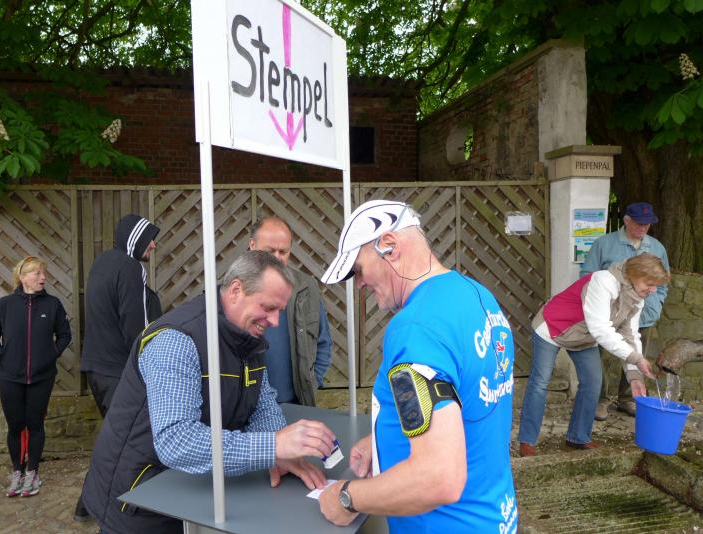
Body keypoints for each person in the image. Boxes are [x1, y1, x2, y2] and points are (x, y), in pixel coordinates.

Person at [80, 251, 336, 533]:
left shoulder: (247, 337)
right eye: (268, 307)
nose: (275, 321)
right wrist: (273, 446)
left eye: (280, 311)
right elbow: (176, 441)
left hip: (191, 496)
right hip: (137, 502)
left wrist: (280, 454)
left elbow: (262, 403)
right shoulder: (177, 339)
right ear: (236, 290)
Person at [317, 200, 518, 533]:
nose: (359, 284)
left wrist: (347, 497)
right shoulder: (476, 295)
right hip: (496, 514)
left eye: (358, 270)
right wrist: (383, 440)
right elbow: (463, 406)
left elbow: (438, 478)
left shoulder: (415, 330)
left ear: (389, 245)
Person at [518, 254, 669, 457]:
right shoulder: (603, 281)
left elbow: (630, 335)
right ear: (634, 274)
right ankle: (527, 440)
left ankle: (578, 437)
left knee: (592, 383)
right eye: (649, 284)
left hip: (583, 337)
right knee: (540, 383)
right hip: (552, 328)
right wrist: (637, 358)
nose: (652, 290)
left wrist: (634, 375)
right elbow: (600, 329)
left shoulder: (637, 299)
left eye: (655, 286)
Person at [75, 214, 161, 521]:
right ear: (134, 240)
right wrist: (151, 369)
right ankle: (103, 507)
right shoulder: (131, 267)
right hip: (118, 371)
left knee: (113, 439)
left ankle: (87, 505)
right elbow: (137, 328)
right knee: (125, 443)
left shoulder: (101, 263)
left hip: (95, 367)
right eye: (149, 238)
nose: (153, 245)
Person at [0, 256, 72, 497]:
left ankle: (32, 472)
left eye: (43, 273)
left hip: (42, 377)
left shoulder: (53, 304)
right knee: (15, 426)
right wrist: (1, 356)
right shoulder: (5, 305)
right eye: (37, 273)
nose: (43, 277)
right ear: (22, 277)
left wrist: (51, 354)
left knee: (35, 425)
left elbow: (65, 335)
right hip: (9, 377)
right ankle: (17, 472)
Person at [580, 202, 670, 419]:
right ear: (626, 220)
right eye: (639, 223)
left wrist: (656, 303)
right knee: (600, 357)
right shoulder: (604, 244)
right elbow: (587, 276)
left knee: (636, 352)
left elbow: (663, 283)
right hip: (609, 315)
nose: (643, 228)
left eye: (647, 224)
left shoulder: (657, 247)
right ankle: (600, 400)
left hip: (644, 314)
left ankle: (628, 398)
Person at [248, 216, 333, 405]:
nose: (277, 258)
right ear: (252, 245)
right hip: (248, 410)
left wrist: (311, 384)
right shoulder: (233, 291)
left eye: (283, 252)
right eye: (270, 251)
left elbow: (324, 343)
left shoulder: (307, 288)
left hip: (296, 406)